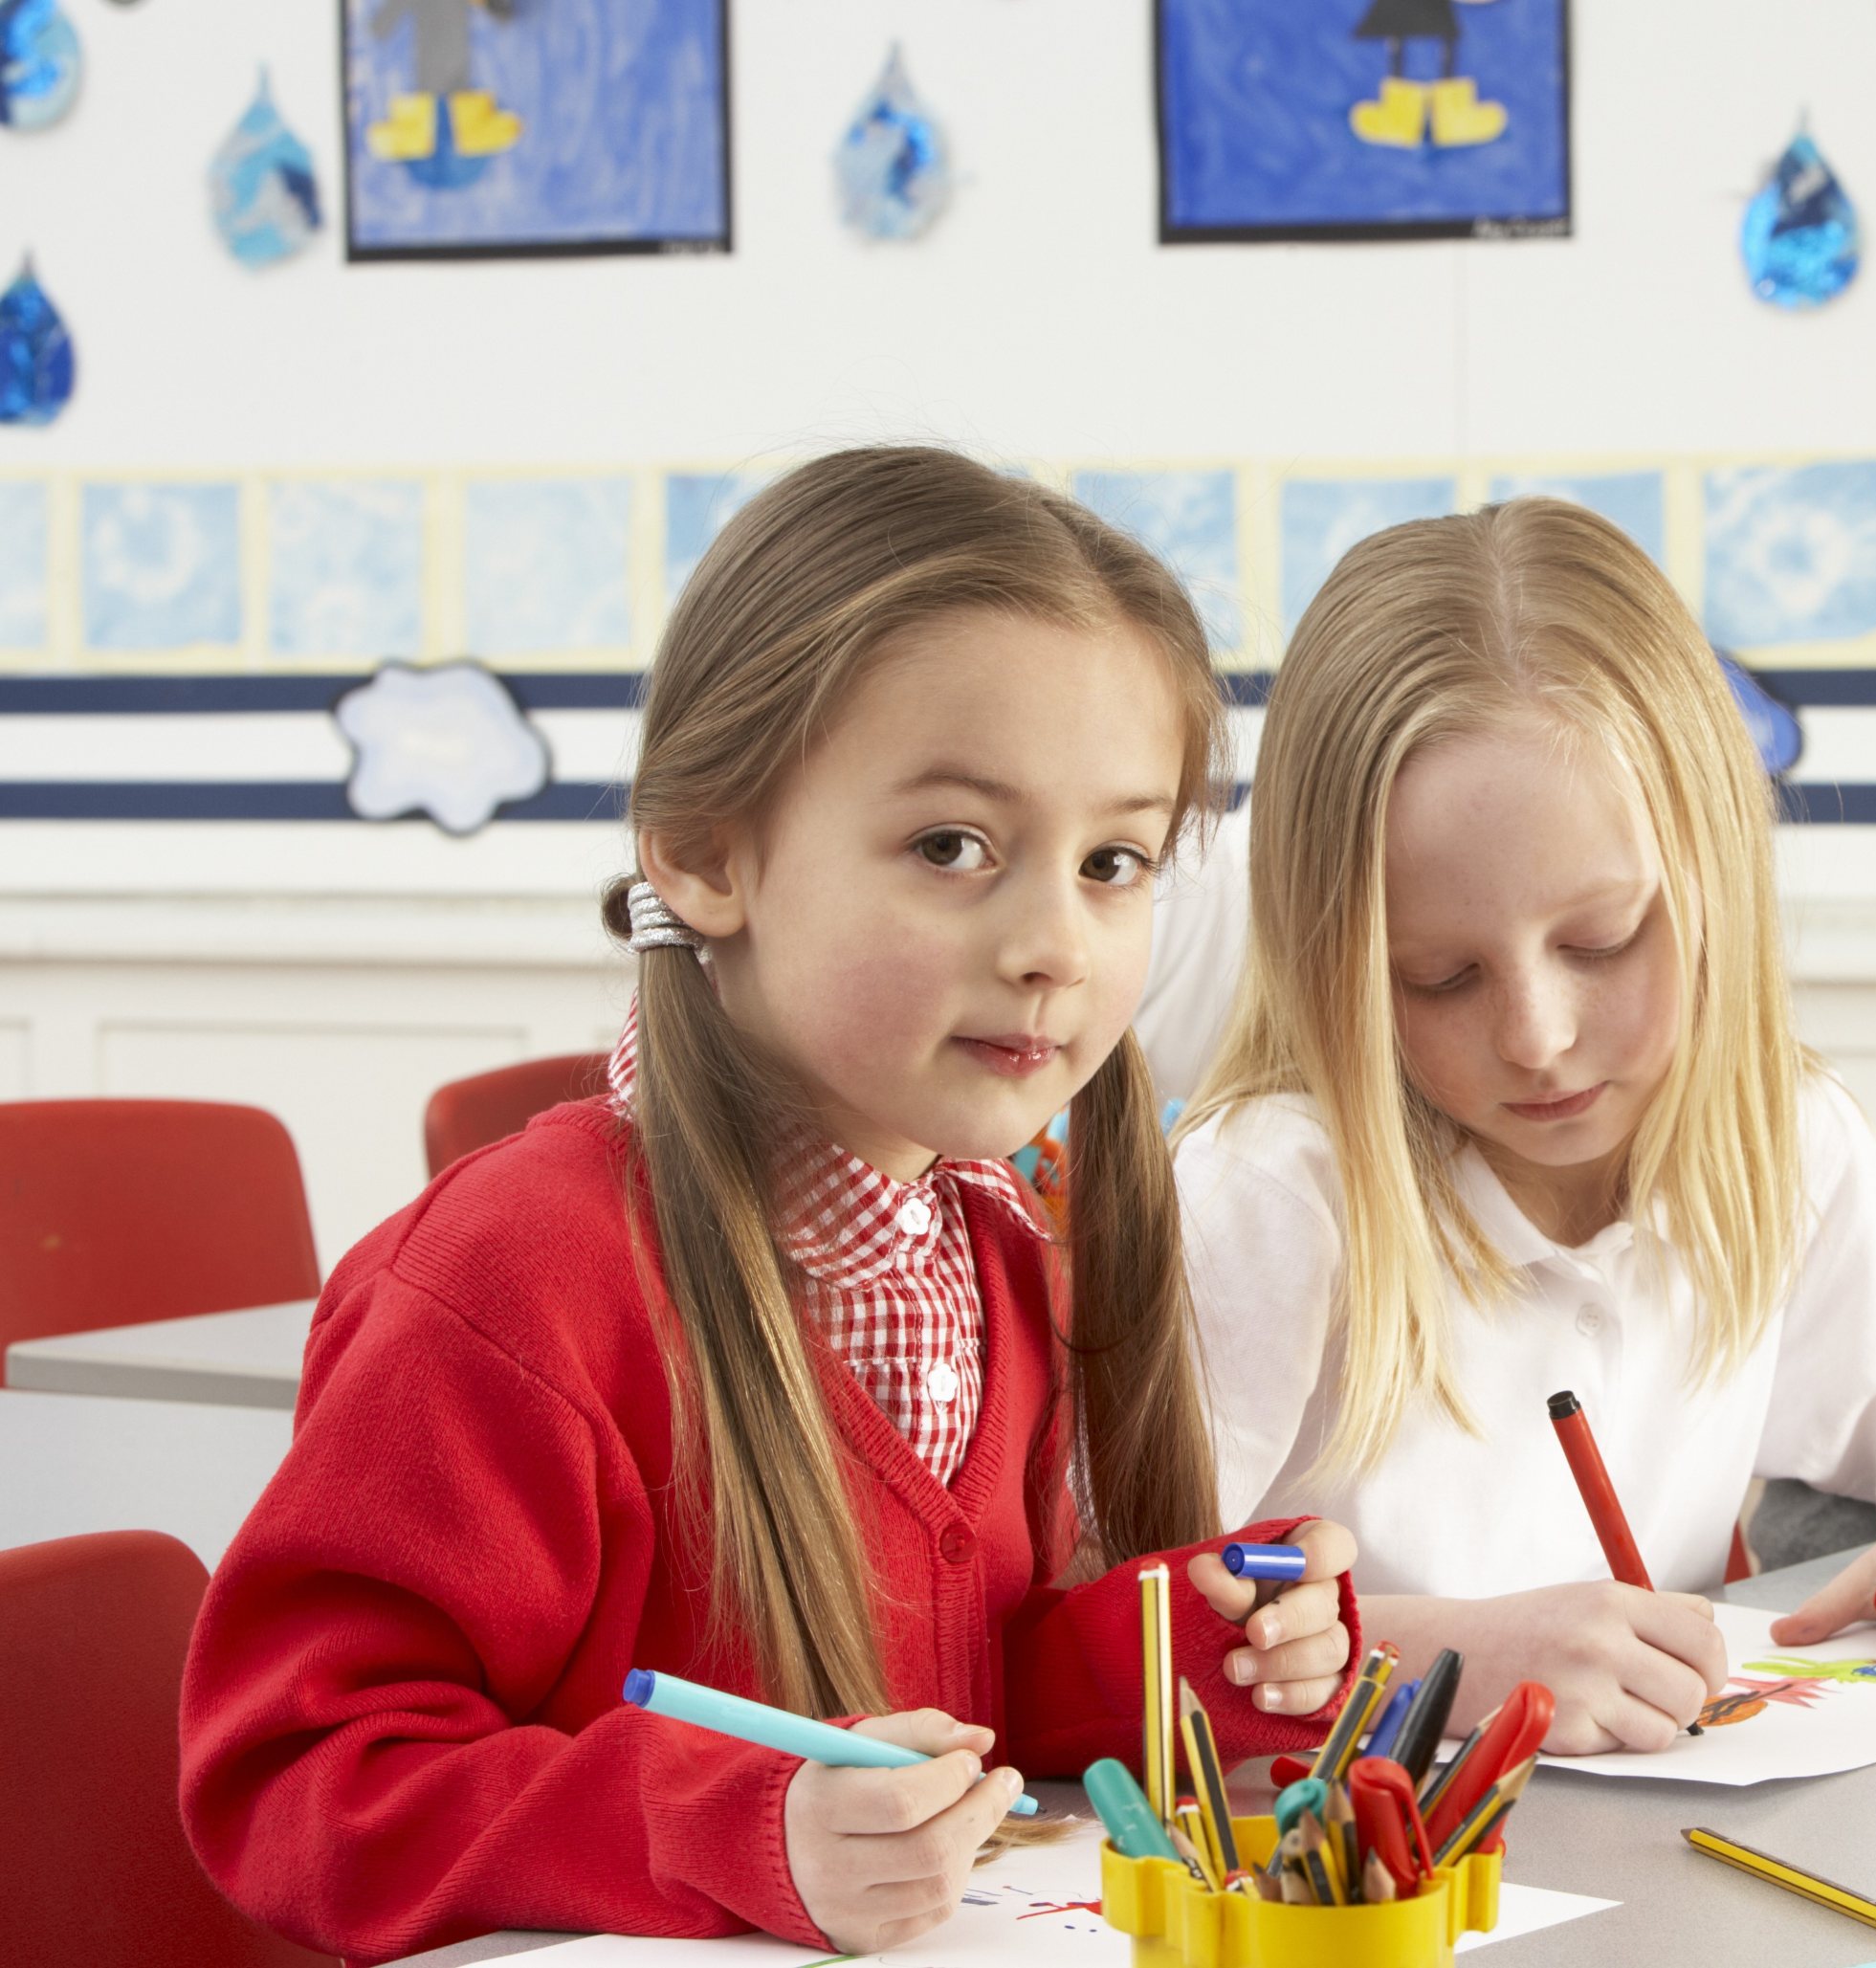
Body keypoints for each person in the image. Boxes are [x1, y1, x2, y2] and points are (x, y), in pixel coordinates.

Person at [179, 449, 1357, 1960]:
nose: (1057, 941)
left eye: (1115, 861)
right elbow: (297, 1785)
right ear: (705, 853)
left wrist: (1183, 1651)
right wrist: (727, 1824)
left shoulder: (991, 1251)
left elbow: (954, 1691)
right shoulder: (510, 1278)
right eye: (953, 847)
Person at [1178, 498, 1876, 1757]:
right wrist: (1456, 1659)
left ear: (1715, 874)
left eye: (1600, 942)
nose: (1537, 1036)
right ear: (1336, 959)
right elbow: (1114, 1624)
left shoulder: (1772, 1136)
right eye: (1440, 974)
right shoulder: (1274, 1195)